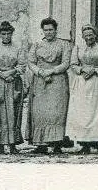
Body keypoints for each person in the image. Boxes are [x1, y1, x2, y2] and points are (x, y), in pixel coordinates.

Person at [26, 17, 71, 154]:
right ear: (42, 31)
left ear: (56, 30)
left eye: (51, 30)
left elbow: (66, 62)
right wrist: (40, 72)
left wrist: (51, 71)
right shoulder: (37, 45)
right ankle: (41, 144)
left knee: (57, 112)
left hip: (57, 81)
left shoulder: (64, 44)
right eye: (46, 30)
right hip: (40, 81)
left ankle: (57, 143)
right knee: (40, 112)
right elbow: (31, 62)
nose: (48, 32)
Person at [66, 24, 98, 153]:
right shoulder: (78, 48)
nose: (88, 37)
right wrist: (82, 69)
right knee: (83, 113)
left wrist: (96, 70)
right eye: (86, 35)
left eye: (90, 35)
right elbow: (73, 64)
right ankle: (84, 144)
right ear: (82, 36)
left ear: (95, 35)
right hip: (82, 82)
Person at [0, 20, 27, 154]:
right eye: (3, 34)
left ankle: (13, 143)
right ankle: (0, 144)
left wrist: (12, 73)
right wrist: (2, 75)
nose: (6, 36)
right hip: (0, 83)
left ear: (12, 34)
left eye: (9, 33)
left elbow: (22, 66)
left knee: (14, 112)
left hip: (14, 82)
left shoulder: (18, 48)